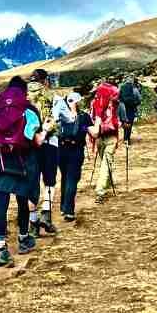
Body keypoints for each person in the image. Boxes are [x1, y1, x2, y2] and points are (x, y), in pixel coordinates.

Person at [0, 76, 45, 267]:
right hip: (23, 162)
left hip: (3, 162)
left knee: (2, 203)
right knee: (22, 200)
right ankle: (23, 239)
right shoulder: (29, 110)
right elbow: (36, 140)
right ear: (25, 91)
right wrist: (45, 133)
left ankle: (0, 248)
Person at [29, 68, 61, 235]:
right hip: (49, 142)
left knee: (32, 183)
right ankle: (46, 215)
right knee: (49, 181)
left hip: (29, 145)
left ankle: (32, 224)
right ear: (45, 80)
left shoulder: (23, 97)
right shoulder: (51, 96)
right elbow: (56, 119)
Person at [55, 91, 91, 222]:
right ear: (78, 102)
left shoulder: (59, 115)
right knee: (72, 178)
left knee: (65, 177)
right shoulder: (84, 116)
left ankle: (63, 207)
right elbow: (93, 132)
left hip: (61, 150)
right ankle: (69, 211)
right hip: (76, 150)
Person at [89, 78, 123, 204]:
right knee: (106, 163)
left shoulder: (94, 102)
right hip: (111, 136)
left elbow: (90, 119)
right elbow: (122, 119)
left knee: (105, 162)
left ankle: (104, 185)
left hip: (98, 137)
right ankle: (100, 190)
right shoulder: (116, 103)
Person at [119, 75, 143, 145]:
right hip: (131, 108)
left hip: (122, 108)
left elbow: (118, 98)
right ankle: (127, 139)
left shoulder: (121, 88)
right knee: (130, 123)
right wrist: (135, 104)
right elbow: (139, 99)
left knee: (124, 122)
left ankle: (125, 137)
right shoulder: (134, 89)